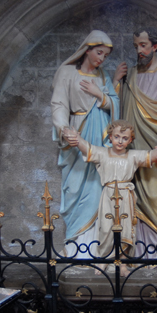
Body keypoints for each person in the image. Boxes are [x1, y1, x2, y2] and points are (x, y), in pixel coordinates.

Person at [63, 120, 157, 274]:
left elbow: (152, 155)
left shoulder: (133, 156)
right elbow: (88, 148)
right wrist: (76, 140)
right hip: (108, 195)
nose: (120, 141)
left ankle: (123, 262)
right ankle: (104, 260)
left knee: (126, 229)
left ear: (130, 140)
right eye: (117, 136)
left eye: (125, 138)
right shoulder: (103, 153)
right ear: (110, 137)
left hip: (126, 196)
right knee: (106, 228)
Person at [113, 27, 157, 258]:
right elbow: (117, 108)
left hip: (155, 148)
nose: (139, 50)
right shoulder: (130, 75)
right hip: (128, 150)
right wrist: (116, 82)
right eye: (136, 46)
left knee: (155, 199)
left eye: (143, 45)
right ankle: (133, 252)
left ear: (154, 46)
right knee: (127, 200)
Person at [52, 30, 119, 257]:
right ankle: (75, 243)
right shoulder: (67, 72)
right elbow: (59, 104)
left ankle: (97, 245)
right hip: (77, 133)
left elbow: (116, 105)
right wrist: (64, 130)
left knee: (99, 189)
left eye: (106, 55)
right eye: (99, 52)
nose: (101, 58)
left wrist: (100, 95)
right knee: (74, 189)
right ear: (87, 50)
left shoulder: (103, 76)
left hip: (101, 137)